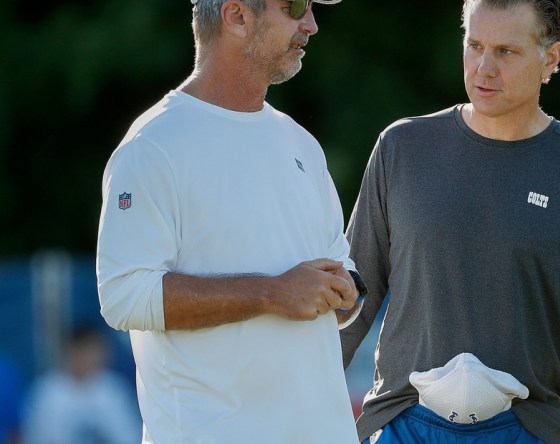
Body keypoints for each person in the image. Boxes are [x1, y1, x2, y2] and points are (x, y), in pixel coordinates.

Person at [339, 0, 560, 443]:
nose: (483, 68)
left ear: (550, 57)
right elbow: (349, 305)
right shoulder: (402, 149)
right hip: (404, 422)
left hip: (532, 427)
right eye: (474, 45)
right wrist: (283, 408)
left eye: (506, 51)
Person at [95, 0, 364, 442]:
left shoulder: (302, 144)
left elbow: (338, 275)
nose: (312, 25)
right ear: (237, 16)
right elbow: (123, 295)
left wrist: (345, 292)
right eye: (296, 7)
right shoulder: (152, 146)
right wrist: (271, 292)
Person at [21, 325, 141, 444]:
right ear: (71, 351)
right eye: (86, 350)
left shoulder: (114, 389)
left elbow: (129, 437)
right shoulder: (47, 392)